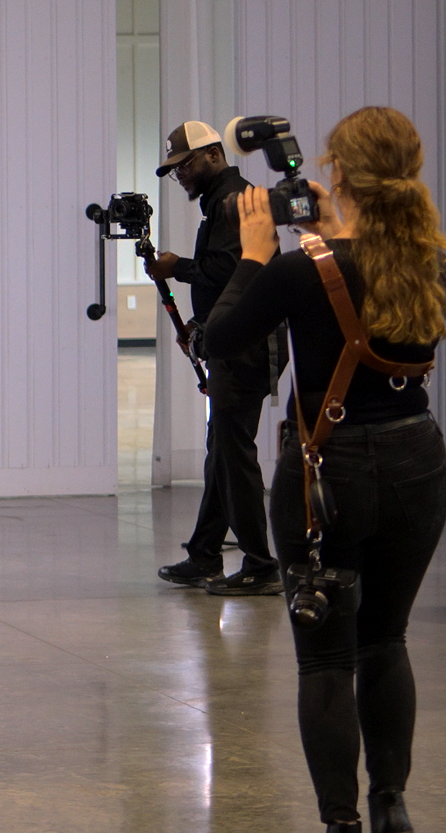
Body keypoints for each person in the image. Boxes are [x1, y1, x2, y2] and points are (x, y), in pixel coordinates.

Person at [201, 106, 446, 833]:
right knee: (387, 639)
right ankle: (391, 805)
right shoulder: (430, 259)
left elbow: (219, 339)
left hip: (325, 473)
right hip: (417, 460)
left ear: (340, 173)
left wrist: (254, 255)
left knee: (326, 660)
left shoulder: (299, 270)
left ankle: (341, 823)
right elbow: (372, 276)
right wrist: (334, 233)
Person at [146, 120, 286, 596]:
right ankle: (205, 554)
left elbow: (231, 269)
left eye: (184, 164)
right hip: (234, 339)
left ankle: (261, 565)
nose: (180, 174)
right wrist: (201, 326)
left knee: (233, 454)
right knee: (223, 451)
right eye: (174, 169)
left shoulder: (233, 200)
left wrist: (176, 267)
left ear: (213, 154)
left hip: (246, 345)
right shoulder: (220, 201)